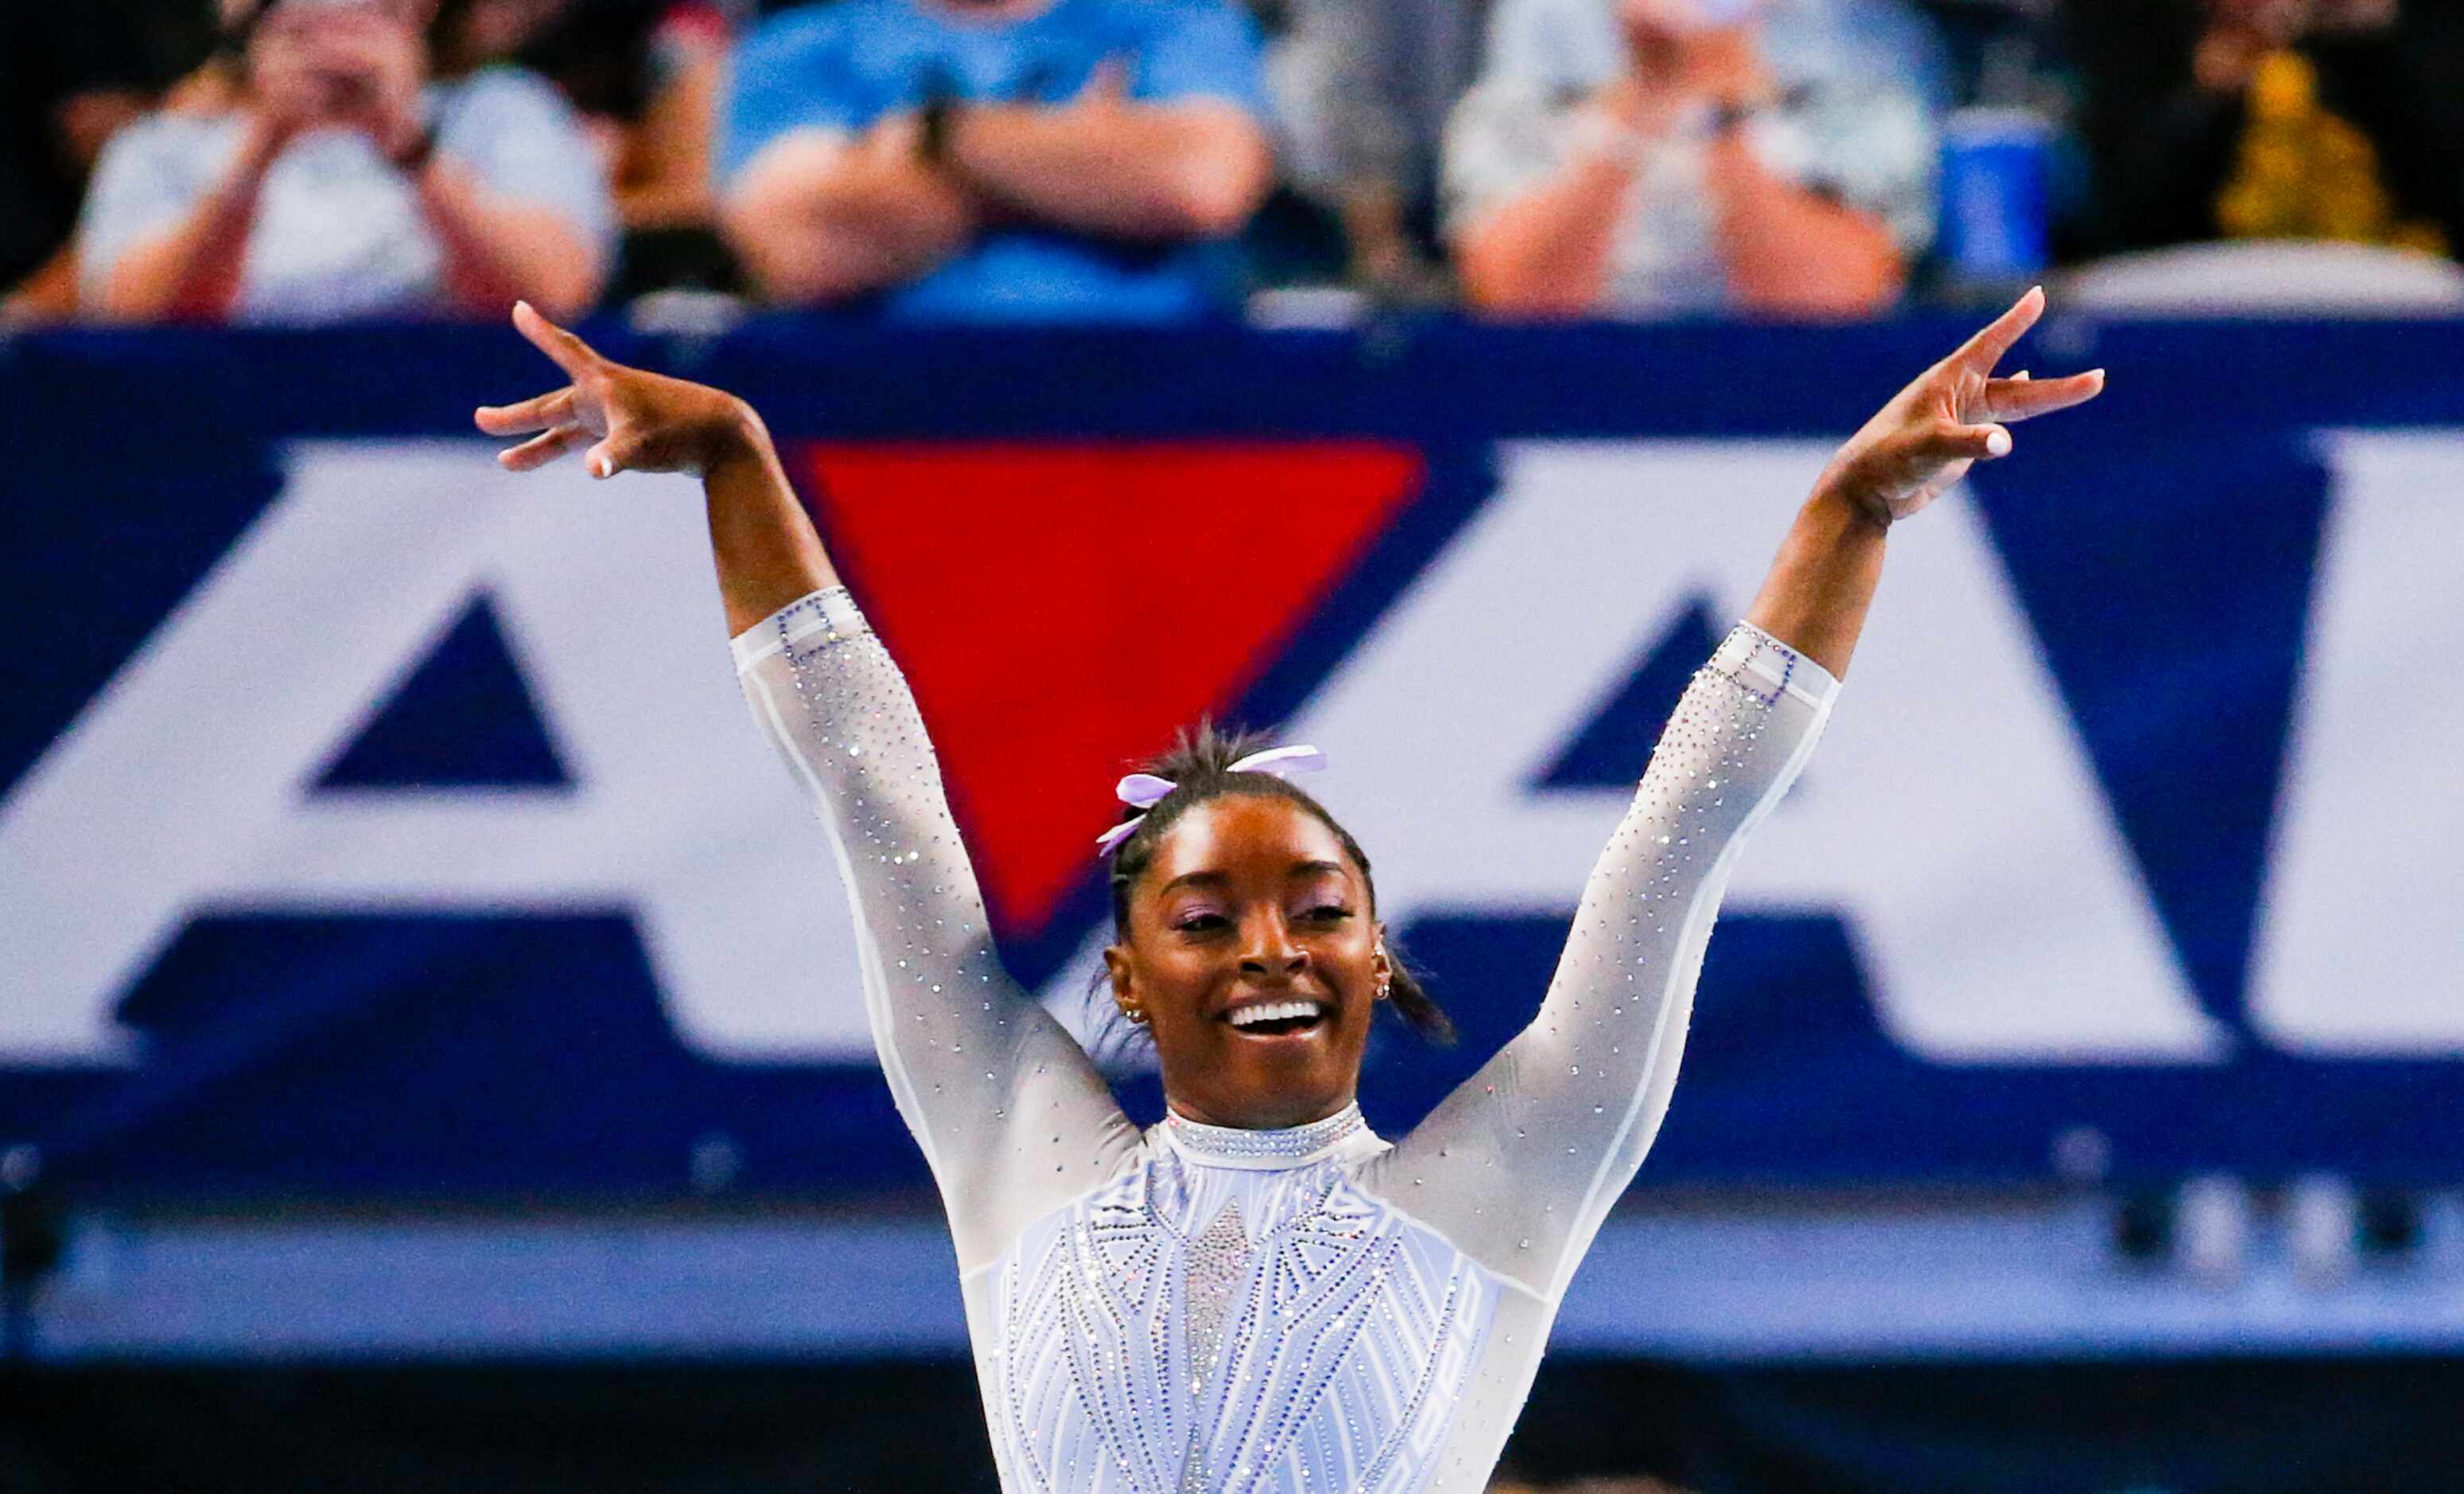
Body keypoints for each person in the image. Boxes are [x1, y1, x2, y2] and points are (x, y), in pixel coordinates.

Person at [474, 289, 2101, 1489]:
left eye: (1320, 909)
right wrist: (736, 462)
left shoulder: (1499, 1194)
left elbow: (1681, 835)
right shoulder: (1011, 1151)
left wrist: (1848, 515)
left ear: (1377, 954)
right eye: (1205, 917)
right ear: (1123, 976)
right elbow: (864, 787)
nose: (1274, 949)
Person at [715, 0, 1276, 321]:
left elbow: (1199, 185)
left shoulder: (1177, 21)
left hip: (1160, 410)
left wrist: (933, 137)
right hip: (880, 413)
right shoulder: (802, 44)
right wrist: (1082, 159)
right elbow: (800, 244)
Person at [80, 0, 615, 325]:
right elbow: (136, 322)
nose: (335, 41)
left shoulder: (502, 110)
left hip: (454, 430)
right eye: (300, 23)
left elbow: (554, 298)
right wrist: (263, 146)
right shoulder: (163, 146)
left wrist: (407, 143)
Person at [1446, 0, 1939, 318]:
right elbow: (1514, 297)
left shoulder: (1853, 103)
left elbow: (1837, 300)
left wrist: (1723, 107)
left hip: (1786, 399)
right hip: (1570, 399)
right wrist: (1643, 103)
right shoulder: (1520, 108)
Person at [2062, 0, 2464, 259]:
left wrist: (2371, 48)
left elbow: (2442, 193)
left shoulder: (2414, 35)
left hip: (2402, 295)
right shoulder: (2140, 30)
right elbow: (2120, 225)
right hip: (2201, 301)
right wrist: (2209, 98)